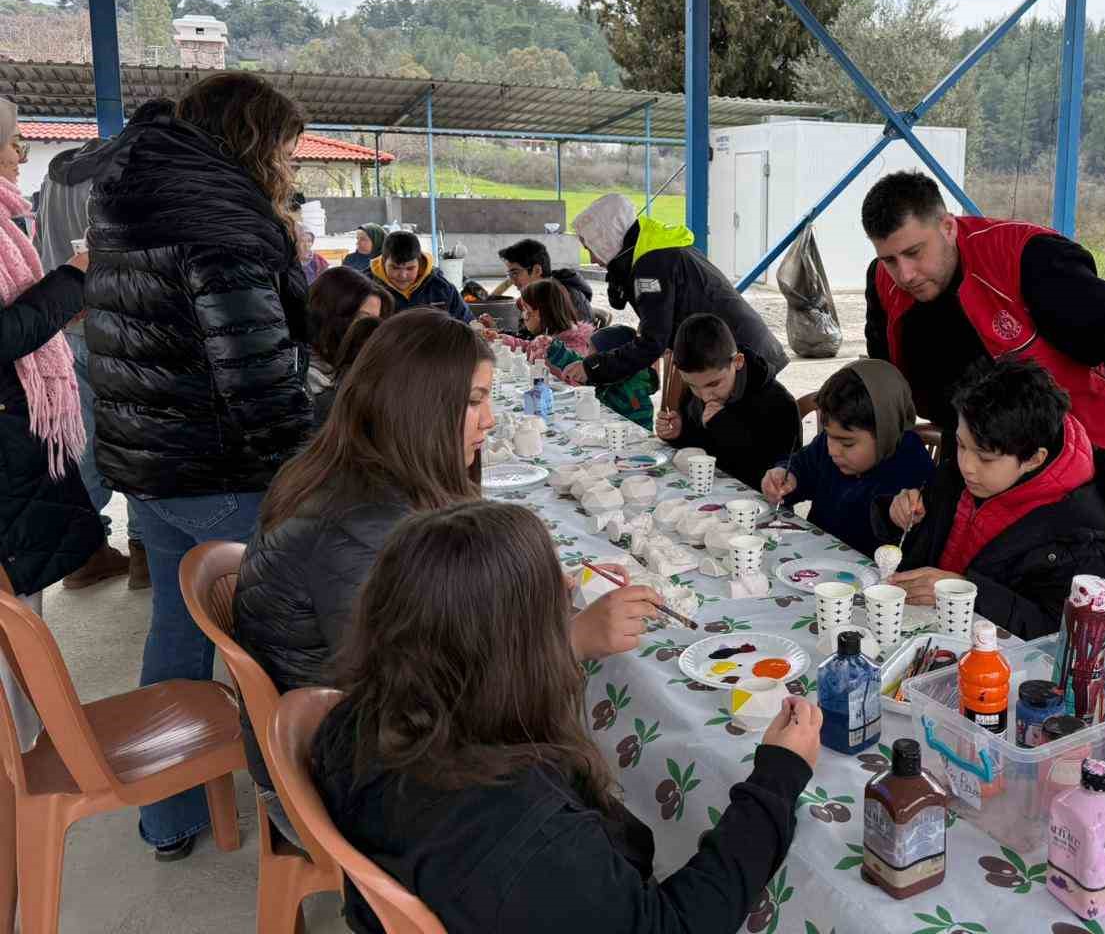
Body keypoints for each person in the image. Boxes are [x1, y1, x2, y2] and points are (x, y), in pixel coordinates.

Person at [312, 500, 821, 934]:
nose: (567, 585)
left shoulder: (362, 715)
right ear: (514, 650)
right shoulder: (526, 837)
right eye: (549, 591)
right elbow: (678, 924)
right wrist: (778, 777)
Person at [233, 308, 659, 808]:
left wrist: (532, 586)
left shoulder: (357, 474)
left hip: (340, 736)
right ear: (421, 407)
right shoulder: (362, 526)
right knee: (578, 788)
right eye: (475, 401)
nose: (491, 420)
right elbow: (426, 704)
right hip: (340, 780)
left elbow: (432, 624)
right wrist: (572, 640)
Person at [80, 73, 314, 861]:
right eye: (285, 148)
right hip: (221, 472)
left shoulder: (133, 198)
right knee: (288, 640)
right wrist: (313, 466)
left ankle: (168, 819)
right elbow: (256, 377)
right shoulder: (221, 222)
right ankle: (305, 820)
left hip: (149, 468)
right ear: (254, 141)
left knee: (177, 634)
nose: (290, 166)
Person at [861, 170, 1105, 517]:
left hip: (1078, 453)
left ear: (948, 227)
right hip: (977, 450)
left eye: (914, 252)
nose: (905, 274)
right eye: (890, 259)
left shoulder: (1030, 259)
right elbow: (886, 372)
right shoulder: (883, 281)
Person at [873, 358, 1105, 642]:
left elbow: (1064, 636)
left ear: (1034, 459)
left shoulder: (1083, 537)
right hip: (931, 634)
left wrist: (965, 590)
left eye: (985, 457)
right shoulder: (969, 474)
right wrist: (901, 515)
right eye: (961, 445)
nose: (967, 465)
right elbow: (918, 556)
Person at [0, 117, 103, 755]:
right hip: (9, 430)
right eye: (9, 139)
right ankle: (22, 761)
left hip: (19, 425)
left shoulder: (11, 219)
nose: (18, 151)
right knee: (15, 617)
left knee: (24, 602)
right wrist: (73, 279)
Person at [32, 105, 142, 588]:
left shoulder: (56, 177)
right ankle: (144, 550)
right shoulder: (119, 175)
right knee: (139, 437)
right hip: (118, 326)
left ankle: (85, 553)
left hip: (67, 324)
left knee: (81, 441)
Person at [558, 194, 786, 390]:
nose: (593, 259)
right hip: (733, 349)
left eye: (591, 248)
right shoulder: (650, 248)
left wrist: (592, 368)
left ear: (607, 239)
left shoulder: (651, 267)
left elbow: (653, 342)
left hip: (740, 357)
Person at [761, 359, 934, 557]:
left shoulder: (913, 469)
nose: (833, 450)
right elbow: (801, 466)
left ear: (885, 432)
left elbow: (916, 547)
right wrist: (786, 476)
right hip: (814, 562)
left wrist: (900, 513)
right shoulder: (827, 448)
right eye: (828, 436)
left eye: (847, 443)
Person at [656, 314, 799, 492]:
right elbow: (701, 448)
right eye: (693, 386)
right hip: (710, 490)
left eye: (714, 384)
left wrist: (726, 427)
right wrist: (679, 434)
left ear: (737, 362)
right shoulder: (699, 389)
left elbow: (780, 476)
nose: (705, 395)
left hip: (756, 503)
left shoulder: (779, 404)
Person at [497, 280, 654, 429]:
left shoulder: (634, 393)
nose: (587, 358)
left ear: (612, 363)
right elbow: (573, 360)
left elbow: (640, 429)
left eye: (592, 354)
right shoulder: (597, 373)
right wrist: (553, 347)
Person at [305, 266, 389, 426]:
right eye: (362, 319)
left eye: (375, 321)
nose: (370, 330)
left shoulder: (364, 368)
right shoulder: (298, 378)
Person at [367, 229, 472, 322]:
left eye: (410, 268)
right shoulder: (365, 288)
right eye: (395, 268)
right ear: (383, 261)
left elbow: (467, 324)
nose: (403, 275)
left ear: (420, 262)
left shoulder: (441, 288)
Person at [499, 236, 594, 324]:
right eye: (509, 274)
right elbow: (526, 334)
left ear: (537, 270)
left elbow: (569, 339)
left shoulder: (563, 296)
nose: (512, 280)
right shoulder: (536, 295)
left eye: (515, 273)